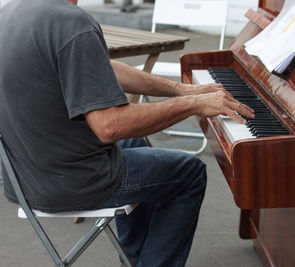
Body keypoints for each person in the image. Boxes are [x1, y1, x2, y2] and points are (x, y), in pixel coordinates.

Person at [0, 0, 254, 266]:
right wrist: (193, 104)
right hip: (73, 181)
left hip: (25, 176)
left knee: (134, 142)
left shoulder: (11, 12)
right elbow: (110, 126)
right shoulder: (70, 23)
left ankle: (131, 259)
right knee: (189, 173)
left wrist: (179, 90)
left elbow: (101, 67)